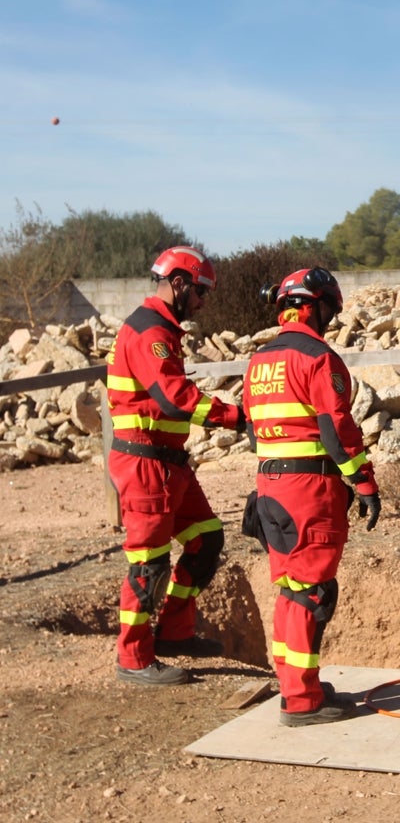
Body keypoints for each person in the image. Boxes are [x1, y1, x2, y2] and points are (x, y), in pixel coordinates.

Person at [244, 267, 382, 726]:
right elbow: (336, 430)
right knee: (313, 591)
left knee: (291, 587)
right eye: (329, 310)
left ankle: (295, 684)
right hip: (308, 490)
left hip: (270, 486)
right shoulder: (319, 357)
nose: (330, 320)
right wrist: (363, 484)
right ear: (315, 305)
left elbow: (252, 431)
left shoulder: (259, 361)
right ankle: (302, 702)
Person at [107, 246, 246, 686]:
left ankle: (174, 632)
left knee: (206, 539)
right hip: (145, 465)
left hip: (167, 464)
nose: (203, 301)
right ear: (180, 283)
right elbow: (175, 398)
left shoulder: (159, 329)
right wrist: (236, 416)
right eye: (201, 291)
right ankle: (133, 658)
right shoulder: (151, 332)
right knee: (148, 563)